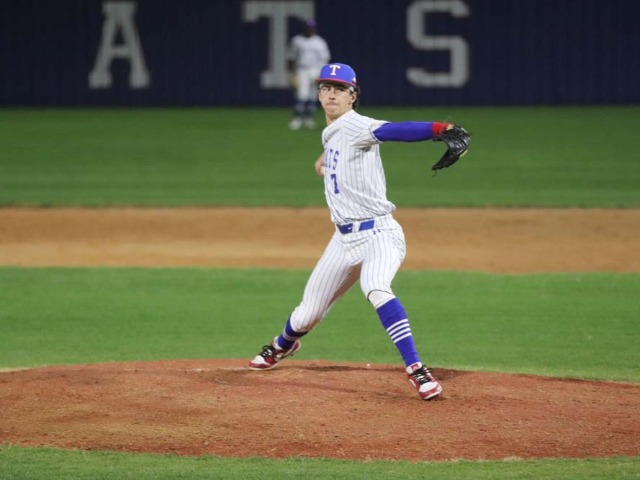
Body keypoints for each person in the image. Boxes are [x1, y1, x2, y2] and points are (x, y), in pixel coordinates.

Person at [250, 62, 470, 401]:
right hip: (343, 240)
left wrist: (440, 128)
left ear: (353, 96)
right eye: (326, 88)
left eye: (340, 89)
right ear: (318, 95)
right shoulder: (332, 132)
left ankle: (417, 370)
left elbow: (394, 131)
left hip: (380, 234)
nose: (331, 94)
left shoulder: (357, 124)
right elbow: (339, 145)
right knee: (307, 314)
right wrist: (325, 158)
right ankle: (282, 345)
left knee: (376, 287)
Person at [286, 19, 330, 130]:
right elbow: (291, 57)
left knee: (312, 95)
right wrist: (291, 73)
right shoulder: (297, 40)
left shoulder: (320, 42)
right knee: (302, 94)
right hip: (302, 70)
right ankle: (297, 119)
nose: (310, 30)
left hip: (316, 70)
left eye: (312, 28)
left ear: (314, 29)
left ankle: (309, 119)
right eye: (308, 28)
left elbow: (325, 59)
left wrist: (322, 74)